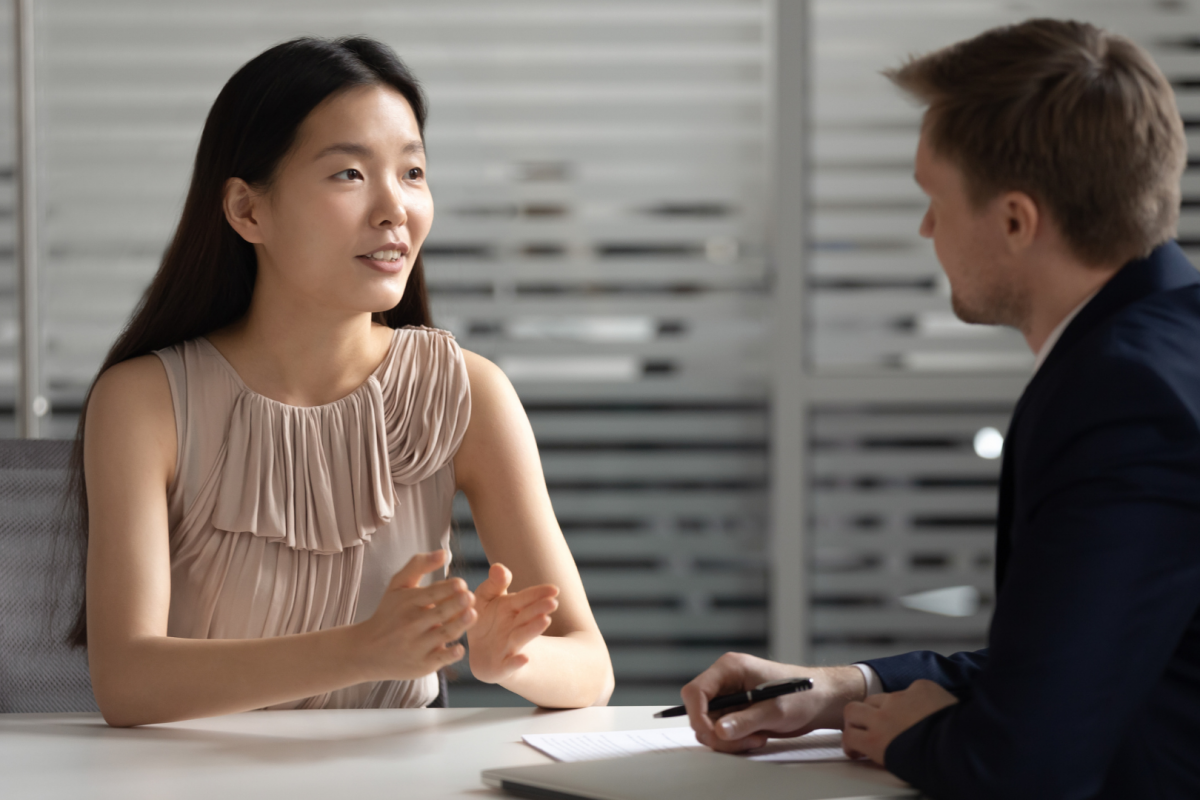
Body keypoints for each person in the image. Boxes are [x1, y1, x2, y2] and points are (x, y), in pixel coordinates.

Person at [681, 19, 1200, 800]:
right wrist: (843, 689)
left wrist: (914, 738)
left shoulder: (1124, 398)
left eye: (935, 198)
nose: (926, 227)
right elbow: (1080, 658)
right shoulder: (1167, 345)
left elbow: (1026, 766)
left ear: (1016, 220)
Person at [71, 36, 613, 727]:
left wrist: (511, 660)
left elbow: (590, 665)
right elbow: (127, 682)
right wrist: (362, 650)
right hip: (194, 774)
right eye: (350, 174)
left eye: (412, 172)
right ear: (247, 211)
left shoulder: (468, 393)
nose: (395, 209)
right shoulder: (145, 402)